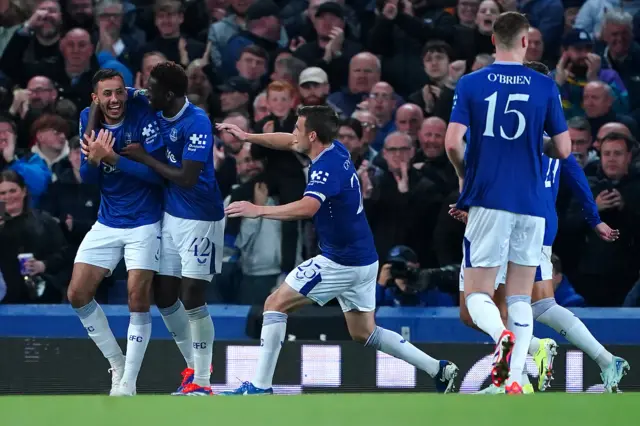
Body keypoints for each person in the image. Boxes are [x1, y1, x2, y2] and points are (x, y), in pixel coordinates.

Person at [216, 105, 459, 396]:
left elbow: (308, 207)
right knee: (364, 332)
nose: (294, 135)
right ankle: (439, 369)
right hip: (363, 259)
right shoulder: (336, 149)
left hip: (339, 261)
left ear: (313, 135)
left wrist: (259, 210)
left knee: (273, 304)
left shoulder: (325, 168)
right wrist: (247, 136)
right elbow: (288, 141)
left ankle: (260, 386)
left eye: (298, 129)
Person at [455, 60, 629, 395]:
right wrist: (595, 220)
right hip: (539, 226)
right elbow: (577, 177)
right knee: (537, 305)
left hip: (508, 219)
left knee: (486, 305)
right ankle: (601, 359)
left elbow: (480, 166)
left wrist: (469, 202)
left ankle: (513, 375)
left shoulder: (508, 130)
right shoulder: (551, 134)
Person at [444, 12, 572, 394]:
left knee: (478, 293)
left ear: (492, 41)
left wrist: (463, 174)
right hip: (532, 204)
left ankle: (501, 337)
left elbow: (452, 142)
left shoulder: (470, 83)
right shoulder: (545, 86)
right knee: (520, 295)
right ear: (526, 42)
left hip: (489, 197)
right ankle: (514, 380)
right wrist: (536, 144)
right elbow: (563, 149)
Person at [121, 62, 224, 396]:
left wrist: (143, 158)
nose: (145, 92)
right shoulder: (153, 103)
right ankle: (193, 367)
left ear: (169, 94)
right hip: (170, 214)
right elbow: (122, 94)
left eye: (151, 89)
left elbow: (187, 177)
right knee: (164, 295)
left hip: (201, 216)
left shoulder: (197, 122)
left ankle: (204, 383)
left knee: (192, 294)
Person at [68, 69, 165, 396]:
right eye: (107, 94)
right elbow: (88, 178)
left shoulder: (143, 115)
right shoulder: (86, 119)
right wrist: (95, 160)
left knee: (137, 296)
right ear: (95, 98)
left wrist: (114, 158)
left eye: (119, 92)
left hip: (145, 221)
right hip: (108, 220)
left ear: (127, 93)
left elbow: (159, 177)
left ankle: (128, 383)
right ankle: (118, 363)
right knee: (77, 294)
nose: (114, 100)